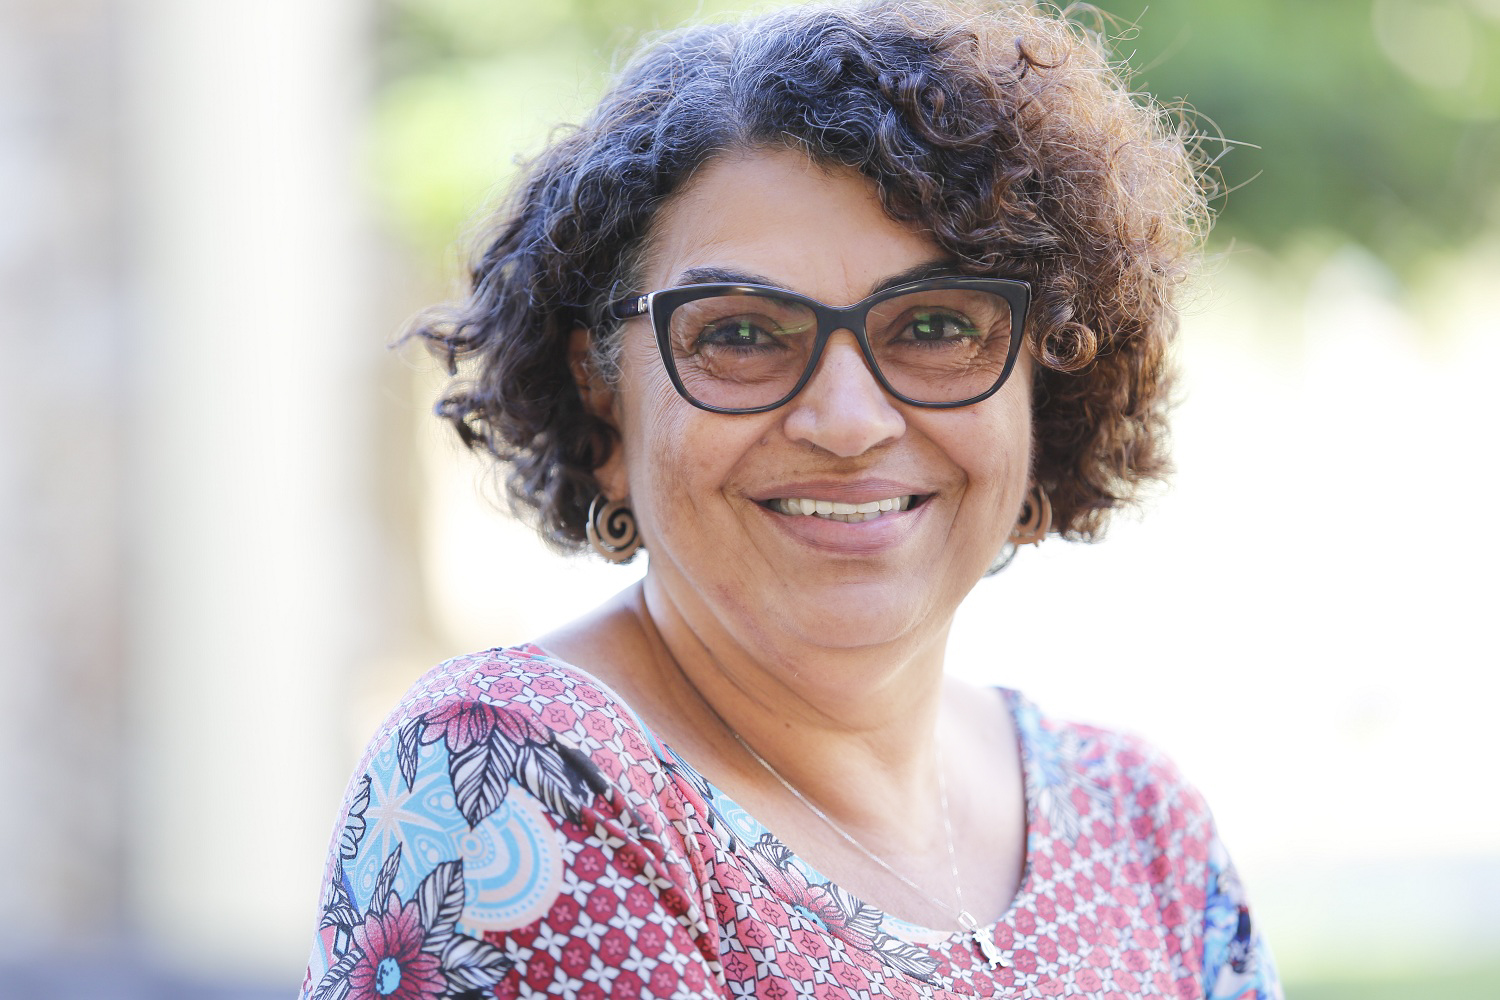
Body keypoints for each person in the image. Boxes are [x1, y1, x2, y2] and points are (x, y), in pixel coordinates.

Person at [301, 2, 1280, 997]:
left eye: (936, 324)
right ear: (603, 395)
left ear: (1049, 379)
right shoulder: (515, 771)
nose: (849, 420)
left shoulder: (1141, 824)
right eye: (740, 334)